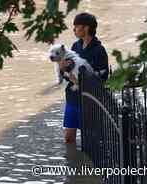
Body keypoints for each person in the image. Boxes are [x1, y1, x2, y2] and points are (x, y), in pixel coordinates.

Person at [60, 12, 109, 144]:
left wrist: (81, 80)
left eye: (76, 26)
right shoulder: (75, 46)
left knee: (89, 141)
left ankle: (85, 164)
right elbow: (66, 71)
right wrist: (64, 69)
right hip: (72, 97)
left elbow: (103, 75)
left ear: (86, 28)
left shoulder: (99, 50)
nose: (74, 30)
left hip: (89, 99)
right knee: (69, 138)